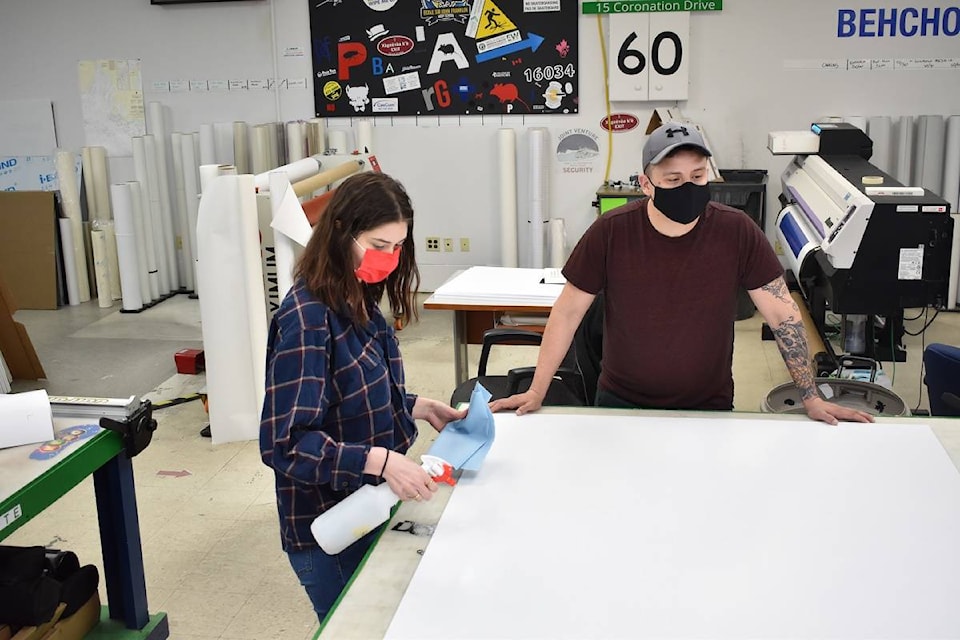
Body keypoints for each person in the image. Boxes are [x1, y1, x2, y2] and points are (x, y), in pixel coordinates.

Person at [490, 122, 874, 426]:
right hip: (621, 404)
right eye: (673, 180)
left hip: (707, 407)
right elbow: (567, 312)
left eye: (698, 176)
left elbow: (782, 315)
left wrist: (810, 395)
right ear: (646, 184)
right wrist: (537, 390)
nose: (687, 188)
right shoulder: (611, 232)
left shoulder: (736, 231)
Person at [260, 171, 467, 621]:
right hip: (329, 525)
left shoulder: (355, 296)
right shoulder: (307, 319)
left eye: (398, 246)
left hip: (368, 504)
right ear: (340, 233)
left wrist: (416, 405)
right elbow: (285, 443)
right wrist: (383, 461)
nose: (389, 259)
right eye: (378, 245)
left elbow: (349, 391)